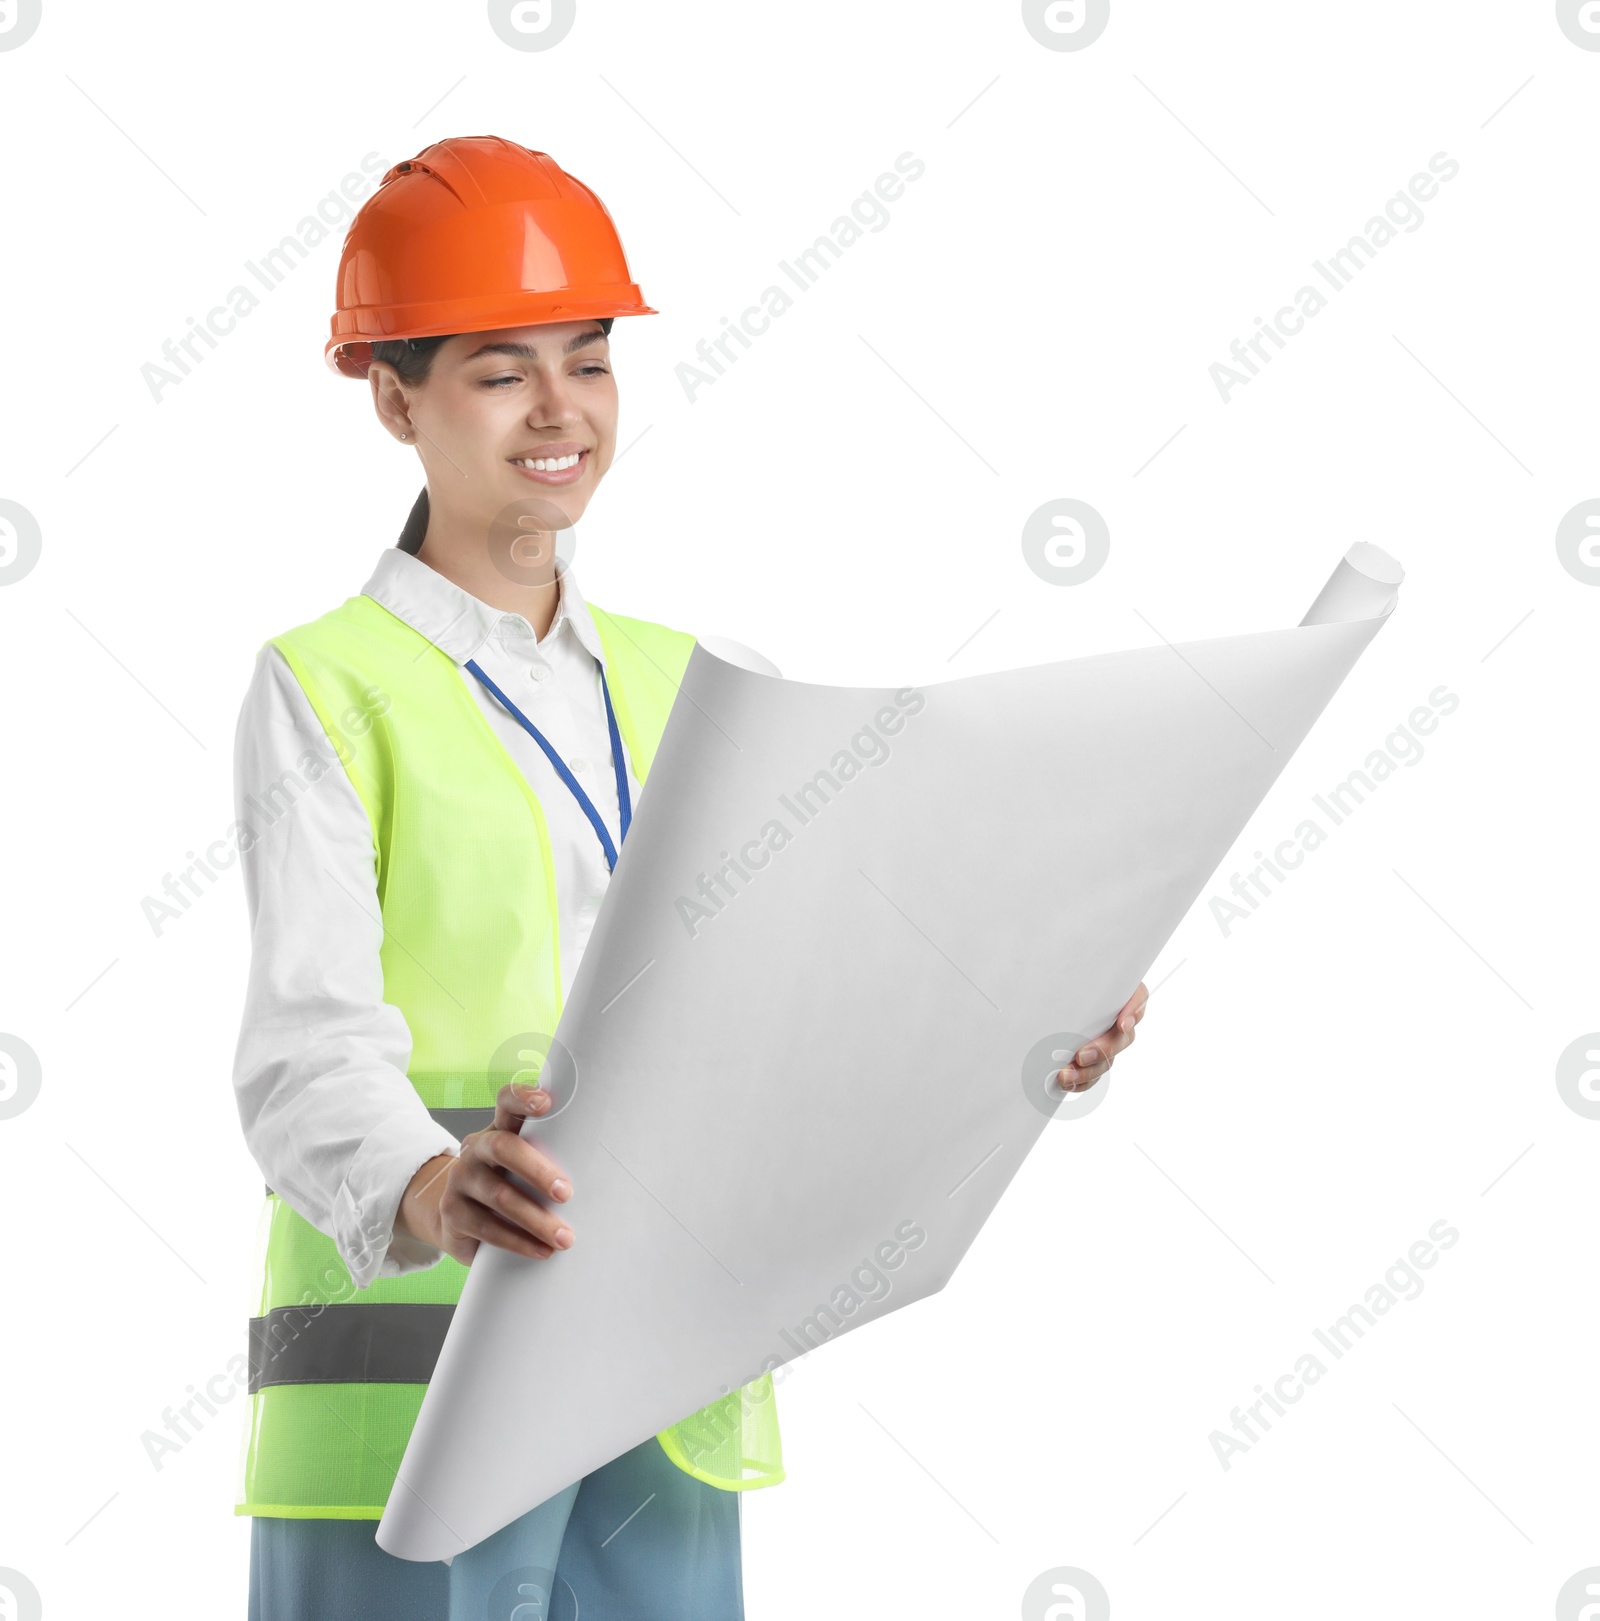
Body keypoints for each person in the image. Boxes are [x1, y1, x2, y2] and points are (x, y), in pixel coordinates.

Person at [230, 135, 1147, 1621]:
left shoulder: (702, 690)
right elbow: (302, 1050)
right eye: (499, 368)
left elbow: (811, 1015)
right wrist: (431, 1184)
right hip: (402, 1420)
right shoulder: (327, 687)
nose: (561, 412)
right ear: (393, 396)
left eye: (589, 362)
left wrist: (1024, 1031)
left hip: (657, 1400)